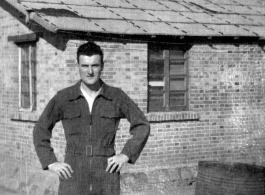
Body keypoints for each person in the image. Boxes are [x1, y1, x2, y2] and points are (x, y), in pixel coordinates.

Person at [33, 41, 150, 195]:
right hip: (73, 173)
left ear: (102, 66)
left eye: (94, 65)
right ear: (78, 66)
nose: (90, 71)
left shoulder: (116, 96)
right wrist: (51, 162)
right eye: (84, 66)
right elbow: (40, 130)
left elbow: (142, 125)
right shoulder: (64, 97)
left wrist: (125, 155)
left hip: (106, 173)